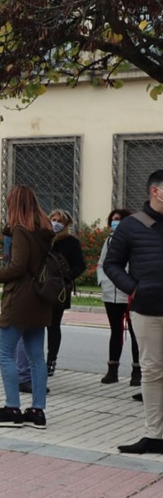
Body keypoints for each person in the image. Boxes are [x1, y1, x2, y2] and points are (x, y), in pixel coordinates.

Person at [0, 185, 53, 429]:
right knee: (36, 357)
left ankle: (12, 407)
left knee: (4, 352)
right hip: (40, 300)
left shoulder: (22, 230)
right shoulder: (44, 229)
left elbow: (17, 267)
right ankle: (37, 410)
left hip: (20, 299)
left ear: (14, 205)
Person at [105, 169, 163, 454]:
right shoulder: (131, 225)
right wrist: (134, 288)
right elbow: (111, 264)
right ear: (156, 191)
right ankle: (155, 435)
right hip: (147, 309)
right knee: (152, 371)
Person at [32, 209, 86, 378]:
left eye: (60, 221)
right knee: (36, 325)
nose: (56, 223)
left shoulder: (71, 242)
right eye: (53, 219)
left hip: (58, 290)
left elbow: (80, 265)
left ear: (67, 224)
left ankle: (51, 360)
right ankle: (36, 360)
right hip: (39, 288)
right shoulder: (43, 239)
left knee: (53, 326)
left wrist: (67, 278)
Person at [99, 208, 138, 385]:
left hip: (129, 293)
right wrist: (103, 282)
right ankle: (112, 370)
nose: (115, 222)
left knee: (135, 333)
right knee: (115, 331)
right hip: (110, 293)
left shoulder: (134, 241)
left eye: (119, 220)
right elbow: (102, 264)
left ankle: (137, 372)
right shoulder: (109, 240)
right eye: (113, 220)